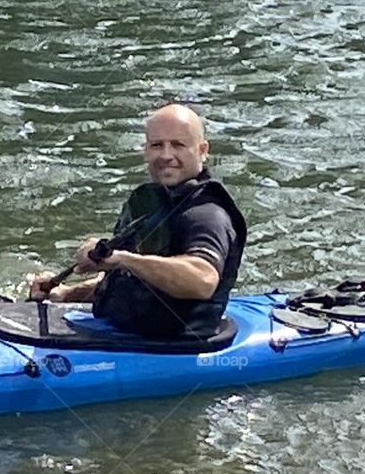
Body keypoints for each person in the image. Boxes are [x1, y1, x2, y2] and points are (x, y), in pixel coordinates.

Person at [28, 104, 247, 339]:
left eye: (178, 145)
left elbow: (203, 280)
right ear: (145, 150)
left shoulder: (207, 214)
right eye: (157, 145)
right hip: (130, 333)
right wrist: (67, 293)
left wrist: (123, 259)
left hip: (177, 348)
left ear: (202, 150)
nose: (166, 155)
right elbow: (135, 284)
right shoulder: (157, 202)